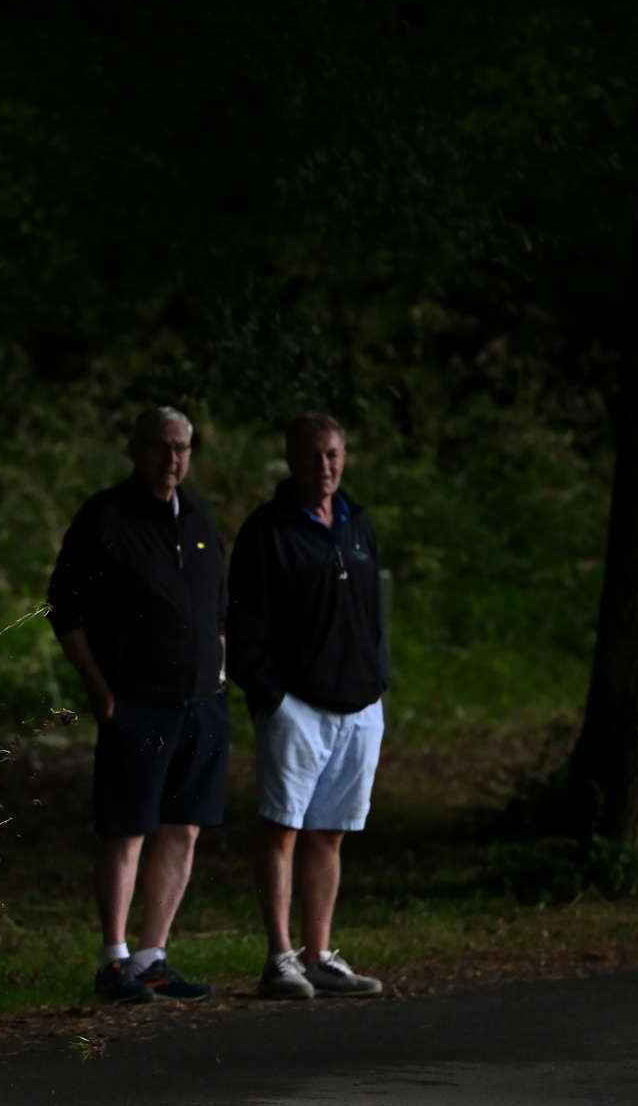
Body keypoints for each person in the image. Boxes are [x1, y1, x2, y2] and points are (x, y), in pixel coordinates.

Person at [47, 407, 229, 1005]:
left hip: (201, 703)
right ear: (136, 449)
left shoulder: (199, 519)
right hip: (137, 704)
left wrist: (219, 668)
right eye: (160, 447)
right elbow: (66, 610)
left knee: (184, 826)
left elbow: (216, 607)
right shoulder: (106, 519)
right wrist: (101, 691)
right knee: (127, 828)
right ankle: (114, 958)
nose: (172, 459)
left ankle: (154, 955)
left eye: (181, 448)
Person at [228, 414, 388, 1000]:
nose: (325, 466)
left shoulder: (358, 524)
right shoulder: (267, 531)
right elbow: (243, 624)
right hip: (296, 706)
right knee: (283, 830)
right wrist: (271, 697)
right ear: (292, 459)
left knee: (330, 833)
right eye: (314, 455)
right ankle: (279, 957)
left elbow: (376, 615)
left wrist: (379, 681)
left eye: (334, 454)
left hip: (359, 705)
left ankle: (320, 953)